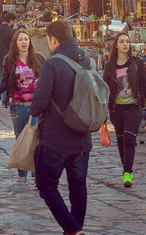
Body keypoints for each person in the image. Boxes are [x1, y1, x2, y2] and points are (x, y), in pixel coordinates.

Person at [32, 19, 91, 235]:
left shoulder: (52, 64)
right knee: (78, 186)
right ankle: (76, 229)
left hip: (56, 139)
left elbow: (39, 103)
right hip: (82, 138)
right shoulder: (87, 60)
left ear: (53, 40)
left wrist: (36, 111)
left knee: (46, 185)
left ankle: (73, 229)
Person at [103, 32, 146, 188]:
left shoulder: (137, 63)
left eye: (127, 41)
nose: (125, 44)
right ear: (116, 45)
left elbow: (145, 85)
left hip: (134, 107)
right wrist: (103, 110)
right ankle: (125, 168)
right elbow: (104, 89)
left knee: (129, 138)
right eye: (122, 41)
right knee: (120, 139)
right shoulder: (109, 66)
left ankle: (127, 172)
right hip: (116, 109)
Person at [0, 26, 44, 183]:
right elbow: (5, 82)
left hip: (35, 107)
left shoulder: (37, 59)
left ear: (30, 41)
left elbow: (44, 81)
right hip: (18, 106)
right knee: (21, 139)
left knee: (36, 139)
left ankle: (36, 172)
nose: (23, 42)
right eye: (20, 39)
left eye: (26, 39)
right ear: (15, 42)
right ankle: (22, 174)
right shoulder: (9, 61)